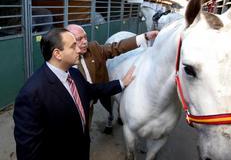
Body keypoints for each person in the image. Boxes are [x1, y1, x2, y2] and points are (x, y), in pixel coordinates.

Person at [13, 28, 135, 160]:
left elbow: (92, 90)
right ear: (57, 54)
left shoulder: (74, 74)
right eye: (73, 46)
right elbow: (28, 151)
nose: (79, 49)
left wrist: (121, 83)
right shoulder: (31, 94)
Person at [67, 24, 158, 134]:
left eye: (85, 37)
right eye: (79, 39)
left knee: (85, 133)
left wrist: (145, 37)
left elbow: (117, 47)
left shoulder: (93, 49)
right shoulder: (62, 65)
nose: (85, 41)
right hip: (68, 111)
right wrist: (121, 83)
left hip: (88, 107)